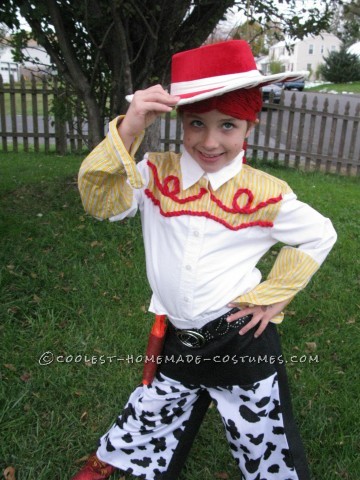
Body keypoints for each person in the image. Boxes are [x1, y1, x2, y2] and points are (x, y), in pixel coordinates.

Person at [73, 40, 337, 480]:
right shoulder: (155, 174)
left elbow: (319, 233)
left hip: (239, 339)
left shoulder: (266, 193)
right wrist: (128, 128)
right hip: (180, 336)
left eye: (228, 126)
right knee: (156, 406)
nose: (210, 141)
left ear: (249, 128)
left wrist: (274, 297)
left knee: (261, 433)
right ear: (180, 121)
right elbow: (103, 203)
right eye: (196, 123)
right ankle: (121, 461)